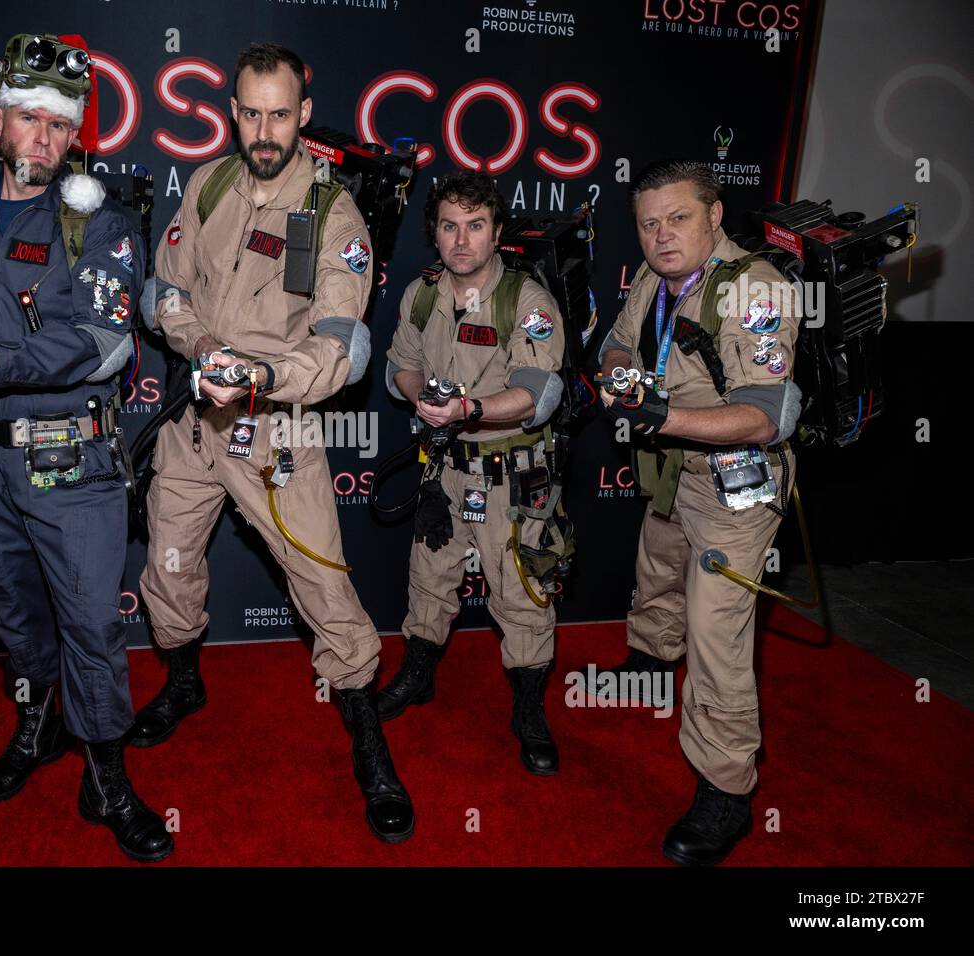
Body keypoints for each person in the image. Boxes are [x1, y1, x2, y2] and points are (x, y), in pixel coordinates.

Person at [0, 32, 172, 862]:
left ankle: (108, 772)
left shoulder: (101, 221)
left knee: (92, 626)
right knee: (12, 617)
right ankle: (38, 724)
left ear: (76, 134)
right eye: (28, 118)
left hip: (70, 465)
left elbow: (105, 340)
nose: (43, 139)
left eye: (59, 124)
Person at [134, 41, 415, 844]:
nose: (265, 129)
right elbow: (167, 291)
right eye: (251, 112)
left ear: (304, 114)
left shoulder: (334, 215)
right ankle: (185, 684)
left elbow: (338, 344)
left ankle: (367, 736)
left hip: (276, 431)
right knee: (169, 566)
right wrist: (200, 351)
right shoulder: (210, 183)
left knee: (323, 586)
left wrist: (254, 376)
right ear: (233, 112)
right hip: (193, 426)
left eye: (280, 114)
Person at [592, 159, 801, 866]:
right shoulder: (655, 279)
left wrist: (661, 412)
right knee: (658, 565)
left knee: (715, 626)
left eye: (678, 218)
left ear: (714, 215)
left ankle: (726, 786)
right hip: (674, 466)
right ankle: (651, 660)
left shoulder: (756, 290)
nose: (661, 234)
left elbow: (764, 417)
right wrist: (620, 370)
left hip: (735, 480)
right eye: (649, 223)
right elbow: (617, 341)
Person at [382, 171, 568, 775]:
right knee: (429, 577)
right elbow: (401, 365)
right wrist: (423, 400)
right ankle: (418, 675)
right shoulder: (421, 295)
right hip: (443, 467)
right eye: (449, 226)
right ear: (434, 233)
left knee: (520, 594)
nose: (462, 241)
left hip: (510, 474)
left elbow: (538, 392)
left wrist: (471, 410)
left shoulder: (528, 301)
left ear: (495, 232)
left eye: (475, 226)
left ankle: (529, 709)